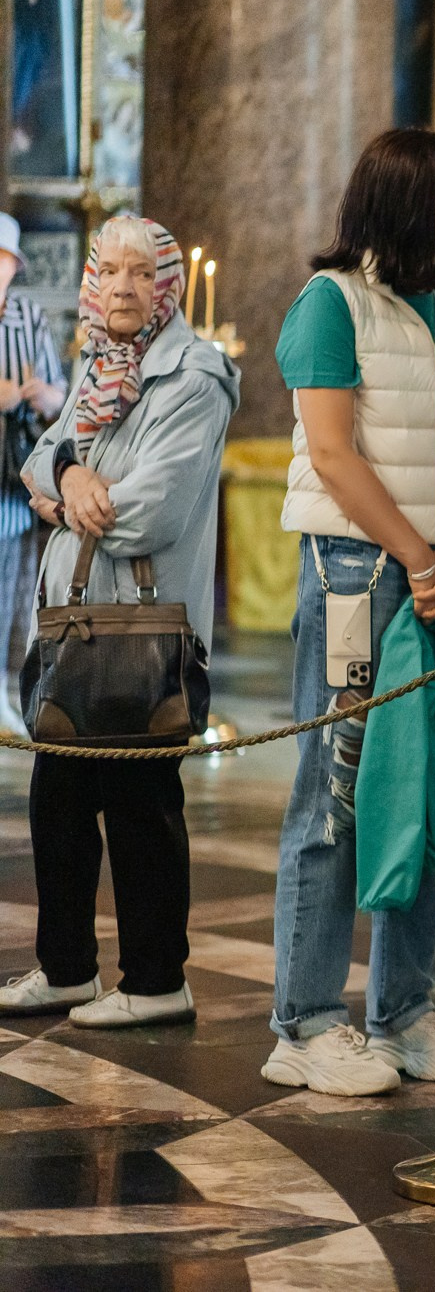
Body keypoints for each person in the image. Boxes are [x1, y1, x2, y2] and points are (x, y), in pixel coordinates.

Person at [265, 127, 435, 1097]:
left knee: (426, 782)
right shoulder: (331, 302)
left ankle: (401, 1010)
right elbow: (331, 452)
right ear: (415, 200)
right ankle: (305, 1021)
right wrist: (419, 555)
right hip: (358, 571)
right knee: (337, 793)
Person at [0, 217, 237, 1027]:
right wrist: (69, 473)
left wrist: (65, 495)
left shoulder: (194, 378)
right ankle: (65, 968)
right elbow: (38, 456)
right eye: (110, 271)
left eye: (142, 272)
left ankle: (156, 981)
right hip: (73, 619)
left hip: (143, 623)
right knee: (58, 800)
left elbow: (150, 513)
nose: (124, 287)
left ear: (168, 285)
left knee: (141, 804)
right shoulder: (100, 362)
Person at [0, 212, 68, 736]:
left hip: (11, 475)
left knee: (14, 590)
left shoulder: (27, 315)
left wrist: (46, 396)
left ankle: (3, 691)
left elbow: (60, 392)